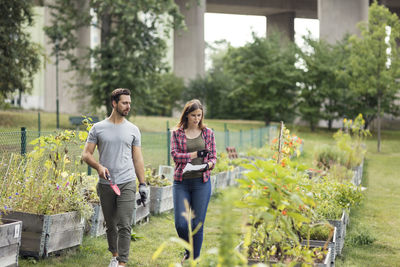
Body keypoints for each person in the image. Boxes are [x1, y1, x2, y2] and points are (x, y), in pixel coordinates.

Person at [82, 88, 148, 267]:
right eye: (124, 103)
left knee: (125, 224)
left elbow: (138, 158)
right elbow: (86, 154)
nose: (128, 106)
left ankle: (122, 263)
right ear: (114, 103)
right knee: (110, 224)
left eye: (129, 103)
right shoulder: (98, 128)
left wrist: (142, 184)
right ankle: (115, 254)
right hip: (106, 184)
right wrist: (98, 167)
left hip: (127, 182)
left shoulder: (133, 129)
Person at [170, 99, 217, 262]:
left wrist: (209, 164)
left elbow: (213, 157)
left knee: (197, 224)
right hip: (181, 182)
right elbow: (175, 156)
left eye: (199, 115)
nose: (196, 119)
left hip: (201, 183)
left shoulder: (208, 133)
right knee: (181, 224)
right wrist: (196, 155)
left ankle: (194, 260)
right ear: (186, 115)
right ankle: (189, 249)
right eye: (193, 115)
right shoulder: (177, 132)